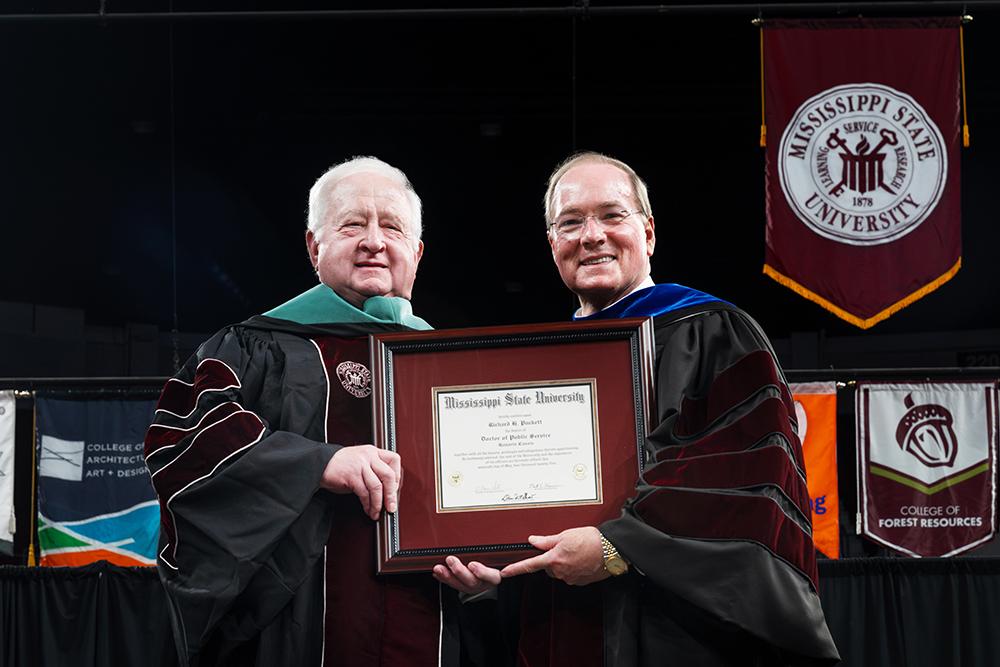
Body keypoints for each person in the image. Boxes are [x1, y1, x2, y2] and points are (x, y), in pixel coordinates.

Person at [143, 156, 497, 666]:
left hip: (431, 618)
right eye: (352, 224)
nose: (373, 241)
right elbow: (185, 444)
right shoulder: (254, 348)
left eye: (392, 226)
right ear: (314, 246)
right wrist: (316, 463)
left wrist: (490, 569)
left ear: (416, 252)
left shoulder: (457, 366)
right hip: (295, 631)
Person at [496, 152, 841, 666]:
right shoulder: (537, 367)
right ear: (553, 244)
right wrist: (492, 560)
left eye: (612, 215)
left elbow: (747, 481)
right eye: (570, 223)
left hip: (679, 626)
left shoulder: (712, 332)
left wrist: (616, 547)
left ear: (649, 232)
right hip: (563, 617)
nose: (591, 236)